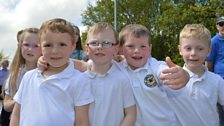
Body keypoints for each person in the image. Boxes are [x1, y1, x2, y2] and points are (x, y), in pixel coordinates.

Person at [10, 18, 94, 126]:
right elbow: (16, 115)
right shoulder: (28, 77)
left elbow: (82, 121)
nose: (55, 51)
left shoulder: (80, 80)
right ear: (41, 47)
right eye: (48, 45)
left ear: (73, 46)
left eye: (62, 44)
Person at [118, 24, 189, 126]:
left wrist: (183, 76)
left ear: (150, 48)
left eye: (143, 46)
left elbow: (168, 74)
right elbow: (94, 66)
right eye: (130, 46)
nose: (137, 50)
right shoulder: (117, 68)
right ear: (121, 49)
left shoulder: (156, 66)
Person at [80, 22, 136, 126]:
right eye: (94, 43)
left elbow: (131, 114)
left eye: (106, 43)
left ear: (116, 48)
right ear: (87, 48)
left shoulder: (122, 78)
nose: (100, 47)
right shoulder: (80, 79)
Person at [170, 24, 224, 126]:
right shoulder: (173, 79)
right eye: (188, 48)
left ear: (209, 50)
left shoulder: (217, 81)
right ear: (180, 49)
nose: (193, 53)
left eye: (200, 49)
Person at [2, 28, 42, 126]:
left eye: (36, 46)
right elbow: (6, 105)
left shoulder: (50, 72)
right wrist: (19, 100)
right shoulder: (15, 74)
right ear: (20, 46)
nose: (30, 49)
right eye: (26, 45)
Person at [205, 16, 224, 126]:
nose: (223, 26)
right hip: (221, 82)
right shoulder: (213, 42)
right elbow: (209, 64)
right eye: (221, 24)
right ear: (217, 26)